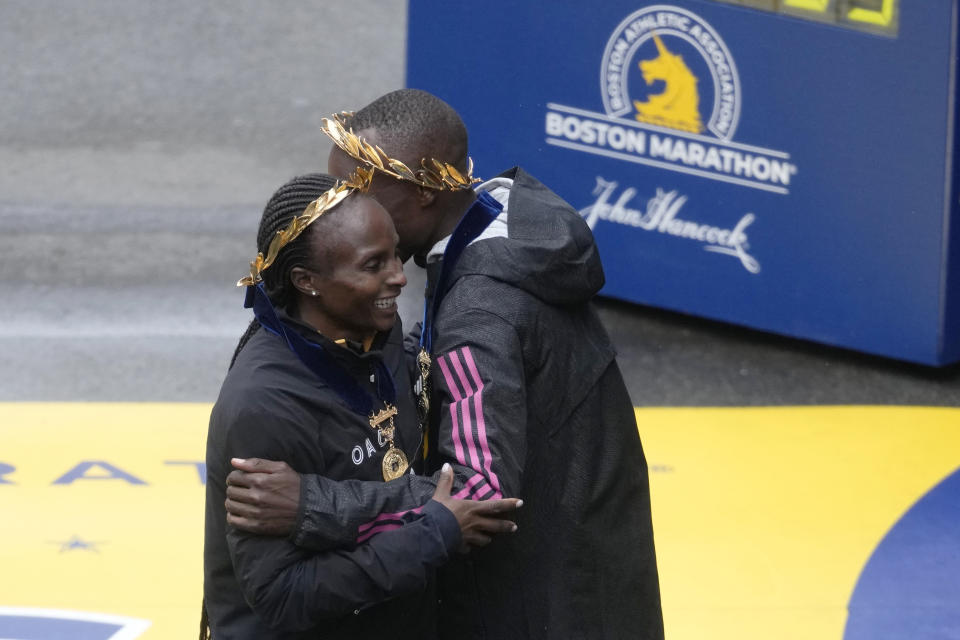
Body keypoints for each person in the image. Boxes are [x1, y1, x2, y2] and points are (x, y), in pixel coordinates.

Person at [225, 89, 664, 639]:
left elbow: (479, 498)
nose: (340, 209)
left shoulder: (478, 315)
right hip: (598, 569)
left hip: (538, 608)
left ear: (425, 192)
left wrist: (312, 503)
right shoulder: (510, 220)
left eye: (356, 188)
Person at [203, 170, 519, 640]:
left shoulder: (371, 327)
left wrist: (312, 503)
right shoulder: (263, 405)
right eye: (373, 265)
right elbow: (282, 597)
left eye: (394, 252)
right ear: (306, 280)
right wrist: (432, 532)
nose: (398, 276)